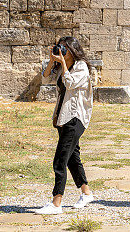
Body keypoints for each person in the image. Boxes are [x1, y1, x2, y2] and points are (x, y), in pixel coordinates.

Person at [34, 37, 95, 215]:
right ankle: (86, 193)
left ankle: (56, 203)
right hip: (63, 117)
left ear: (73, 51)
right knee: (72, 157)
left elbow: (70, 84)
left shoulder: (81, 67)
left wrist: (64, 63)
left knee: (60, 159)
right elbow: (45, 78)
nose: (62, 52)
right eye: (61, 49)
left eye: (65, 49)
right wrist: (53, 61)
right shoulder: (61, 66)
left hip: (75, 119)